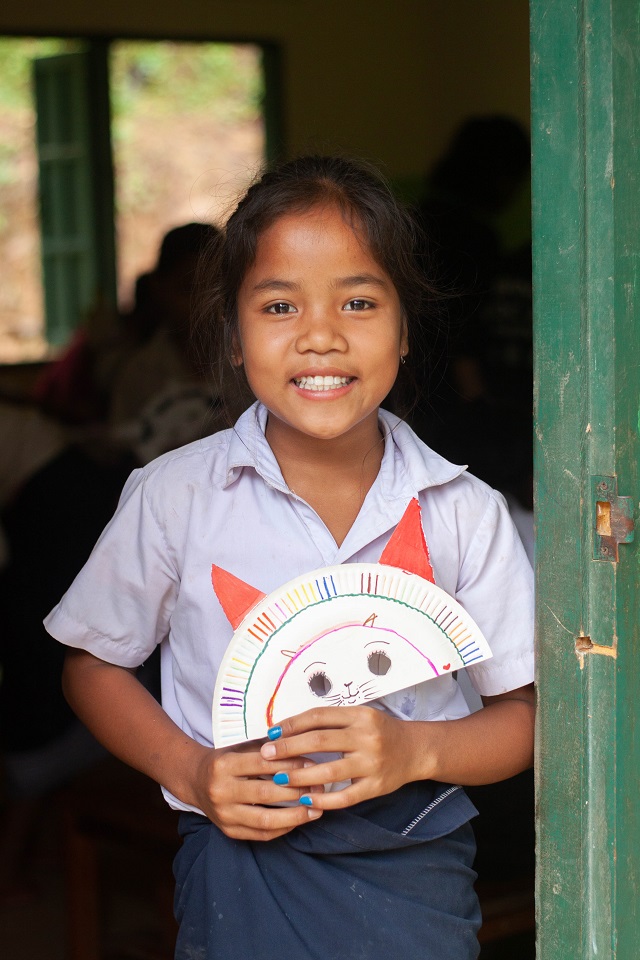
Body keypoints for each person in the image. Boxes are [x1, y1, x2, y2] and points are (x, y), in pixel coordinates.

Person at [44, 156, 534, 960]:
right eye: (279, 304)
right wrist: (197, 772)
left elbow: (524, 717)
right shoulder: (177, 498)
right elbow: (90, 666)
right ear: (232, 338)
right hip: (240, 864)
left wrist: (418, 749)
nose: (320, 334)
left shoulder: (463, 513)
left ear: (405, 330)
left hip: (414, 868)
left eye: (359, 301)